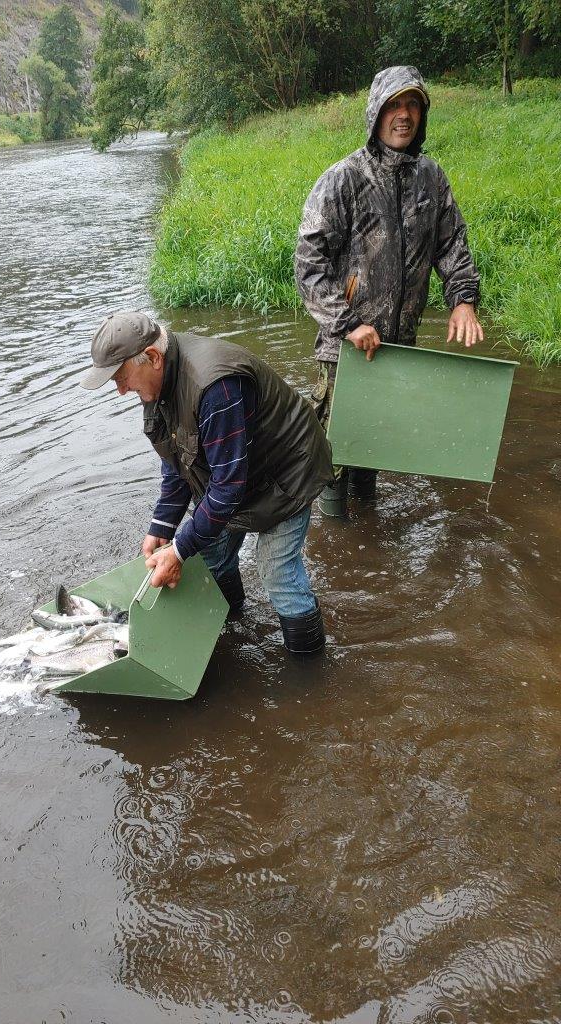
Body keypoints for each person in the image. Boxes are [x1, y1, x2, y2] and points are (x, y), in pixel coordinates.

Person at [80, 311, 334, 658]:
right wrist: (162, 524)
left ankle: (309, 667)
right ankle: (233, 621)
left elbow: (227, 489)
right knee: (211, 559)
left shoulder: (215, 387)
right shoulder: (157, 385)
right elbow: (178, 461)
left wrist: (179, 550)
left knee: (277, 573)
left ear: (153, 357)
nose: (121, 390)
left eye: (121, 378)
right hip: (236, 470)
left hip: (287, 472)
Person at [294, 65, 484, 515]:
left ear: (422, 114)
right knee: (334, 463)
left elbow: (452, 243)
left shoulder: (431, 178)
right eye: (394, 105)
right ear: (376, 113)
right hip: (346, 352)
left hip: (398, 350)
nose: (404, 114)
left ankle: (368, 537)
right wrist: (348, 324)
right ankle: (337, 545)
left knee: (372, 457)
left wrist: (462, 299)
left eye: (413, 104)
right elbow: (308, 266)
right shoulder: (344, 179)